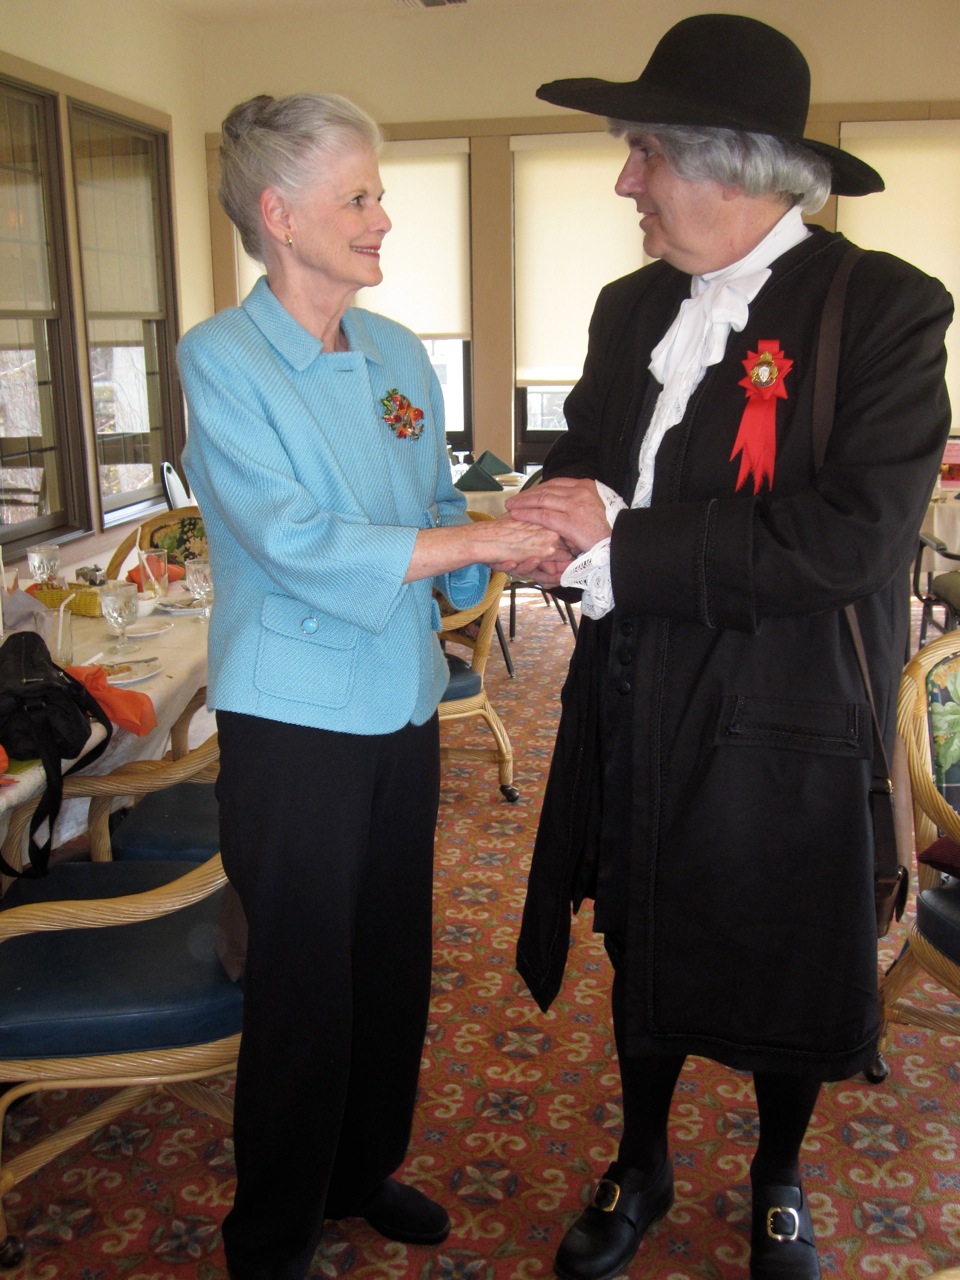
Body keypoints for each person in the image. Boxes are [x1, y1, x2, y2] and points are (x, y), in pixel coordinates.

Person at [507, 15, 953, 1280]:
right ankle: (641, 1158)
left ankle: (777, 1173)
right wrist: (547, 511)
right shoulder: (629, 304)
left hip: (787, 706)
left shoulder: (886, 307)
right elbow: (589, 447)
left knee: (784, 942)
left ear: (734, 166)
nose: (625, 182)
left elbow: (852, 537)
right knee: (642, 924)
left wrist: (624, 541)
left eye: (644, 152)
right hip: (635, 681)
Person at [177, 93, 558, 1280]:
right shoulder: (223, 358)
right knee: (303, 979)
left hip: (399, 694)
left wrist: (502, 545)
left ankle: (360, 1168)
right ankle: (272, 1231)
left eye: (379, 193)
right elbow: (293, 537)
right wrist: (473, 541)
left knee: (391, 955)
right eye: (359, 197)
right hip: (293, 717)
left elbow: (434, 505)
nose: (383, 216)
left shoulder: (395, 352)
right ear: (280, 215)